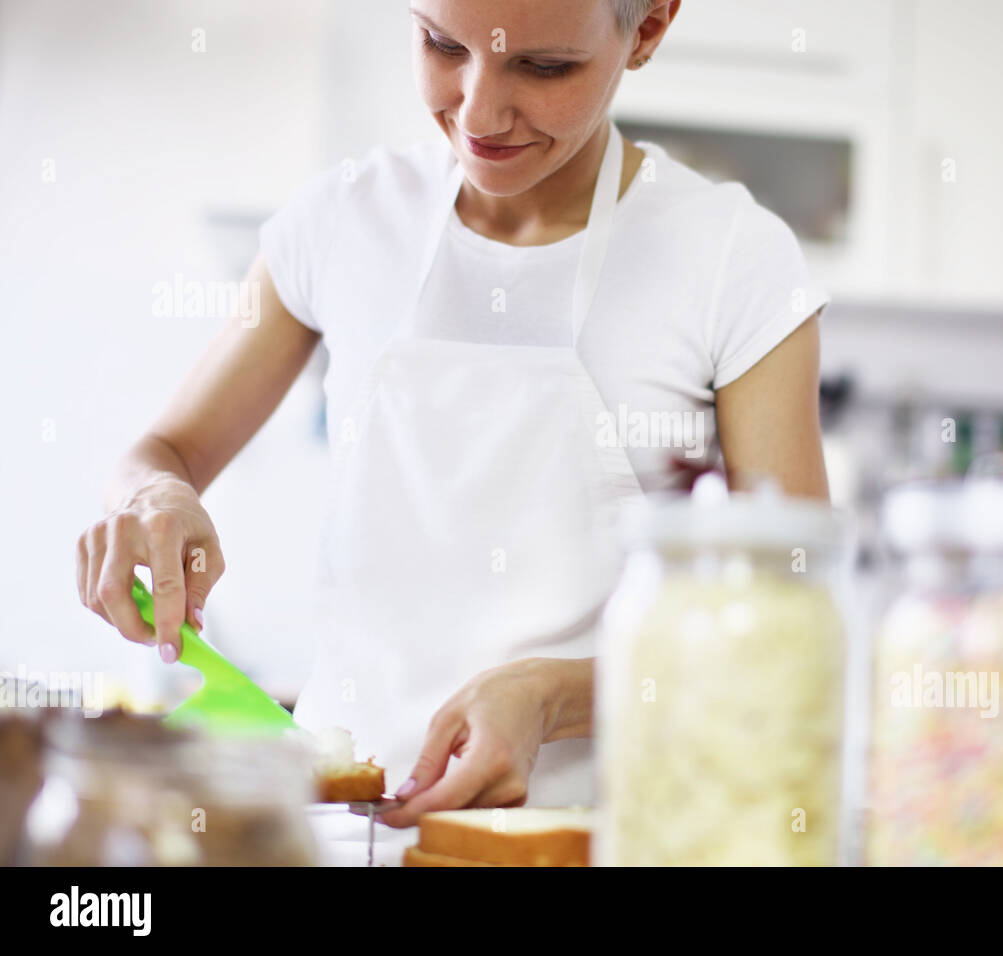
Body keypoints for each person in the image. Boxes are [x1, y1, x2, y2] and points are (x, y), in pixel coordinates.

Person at [73, 0, 831, 832]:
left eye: (543, 68)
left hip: (596, 834)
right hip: (335, 832)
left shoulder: (732, 259)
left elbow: (791, 630)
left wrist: (549, 697)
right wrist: (154, 499)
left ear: (646, 30)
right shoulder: (344, 220)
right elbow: (165, 450)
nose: (477, 112)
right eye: (441, 44)